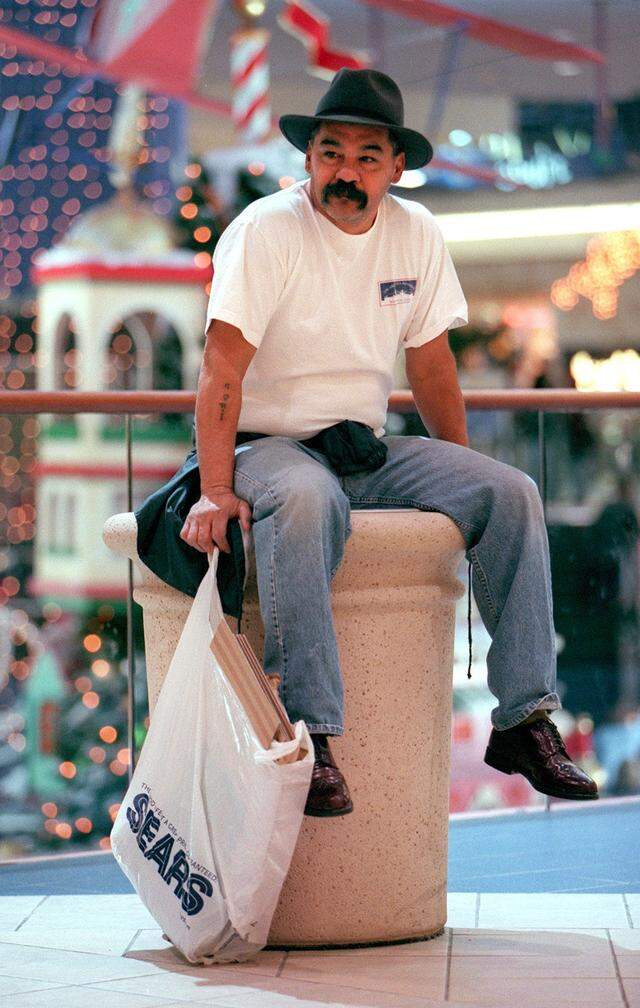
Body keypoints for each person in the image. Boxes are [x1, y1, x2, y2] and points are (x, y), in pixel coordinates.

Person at [178, 69, 598, 815]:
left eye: (367, 156)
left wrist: (464, 469)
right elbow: (221, 366)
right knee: (305, 503)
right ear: (308, 158)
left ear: (396, 167)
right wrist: (215, 489)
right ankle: (311, 735)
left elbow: (431, 367)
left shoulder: (417, 233)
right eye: (331, 152)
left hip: (361, 444)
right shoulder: (265, 231)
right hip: (264, 445)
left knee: (509, 491)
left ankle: (524, 719)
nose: (347, 170)